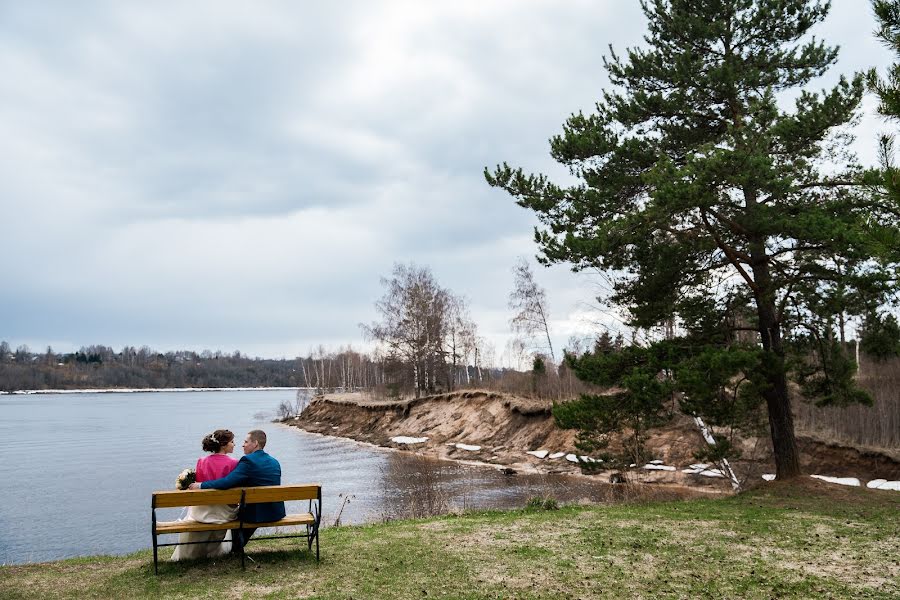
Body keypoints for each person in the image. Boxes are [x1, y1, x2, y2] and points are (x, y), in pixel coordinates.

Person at [188, 429, 285, 552]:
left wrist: (200, 485)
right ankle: (235, 548)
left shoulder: (247, 461)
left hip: (256, 515)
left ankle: (234, 549)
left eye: (245, 442)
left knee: (235, 516)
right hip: (275, 512)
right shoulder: (274, 462)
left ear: (255, 443)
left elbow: (226, 482)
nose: (242, 445)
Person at [170, 429, 239, 561]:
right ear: (224, 445)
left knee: (194, 511)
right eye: (232, 442)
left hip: (201, 511)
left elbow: (198, 488)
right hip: (224, 512)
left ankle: (194, 553)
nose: (234, 444)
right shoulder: (234, 463)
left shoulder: (201, 461)